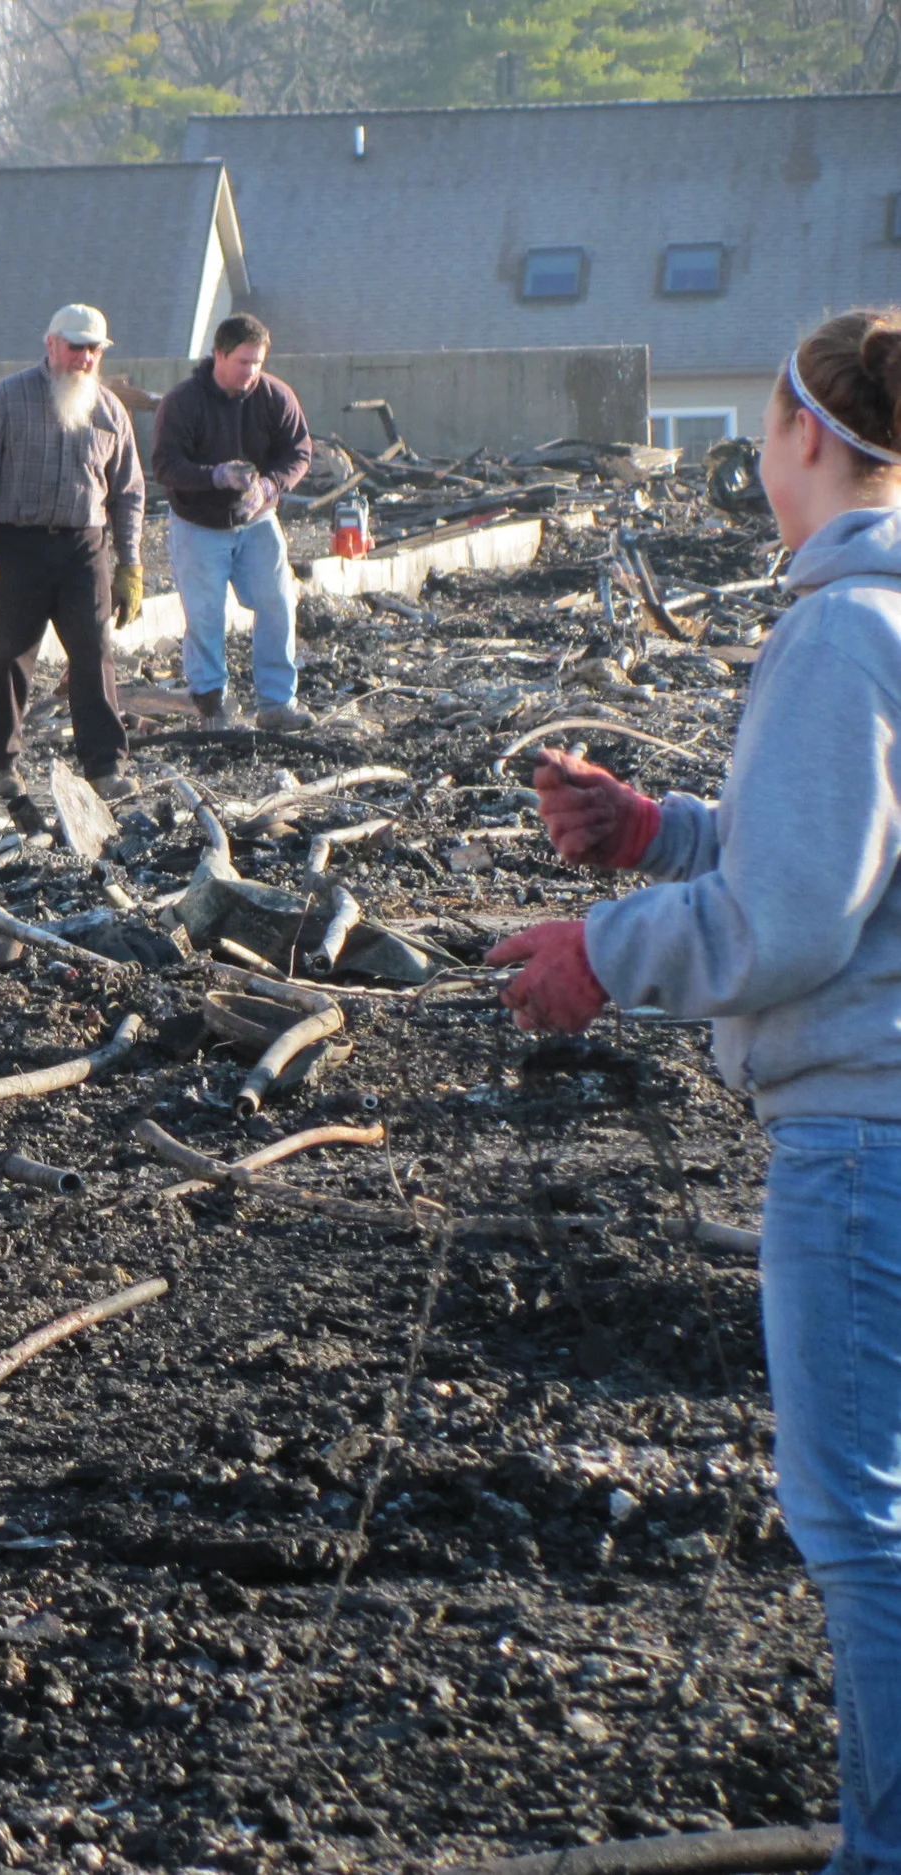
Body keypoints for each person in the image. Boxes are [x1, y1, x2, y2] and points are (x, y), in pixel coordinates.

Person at [491, 306, 901, 1875]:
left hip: (860, 1130)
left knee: (859, 1521)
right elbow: (840, 850)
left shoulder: (847, 630)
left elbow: (800, 917)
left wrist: (604, 950)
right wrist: (663, 828)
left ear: (799, 434)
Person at [0, 301, 146, 805]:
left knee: (94, 653)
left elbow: (129, 493)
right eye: (75, 346)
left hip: (84, 546)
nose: (84, 357)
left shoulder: (109, 410)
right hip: (18, 543)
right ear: (51, 344)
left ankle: (105, 766)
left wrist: (130, 564)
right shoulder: (9, 399)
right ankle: (1, 765)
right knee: (7, 654)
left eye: (93, 349)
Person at [148, 313, 315, 732]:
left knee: (278, 602)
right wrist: (213, 477)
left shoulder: (274, 396)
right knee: (205, 615)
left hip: (256, 521)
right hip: (198, 524)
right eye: (244, 362)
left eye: (258, 362)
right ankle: (212, 703)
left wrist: (269, 488)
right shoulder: (183, 403)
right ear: (219, 355)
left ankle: (277, 704)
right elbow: (165, 466)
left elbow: (299, 451)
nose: (252, 371)